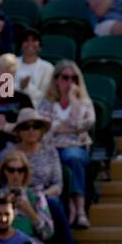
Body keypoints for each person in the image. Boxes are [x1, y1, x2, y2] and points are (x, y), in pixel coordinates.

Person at [38, 62, 96, 229]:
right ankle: (67, 204)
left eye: (74, 78)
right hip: (51, 146)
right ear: (56, 79)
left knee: (72, 157)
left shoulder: (84, 103)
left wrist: (72, 100)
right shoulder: (46, 102)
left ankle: (80, 211)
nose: (69, 82)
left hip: (75, 147)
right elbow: (44, 128)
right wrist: (67, 127)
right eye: (65, 77)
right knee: (52, 157)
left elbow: (85, 124)